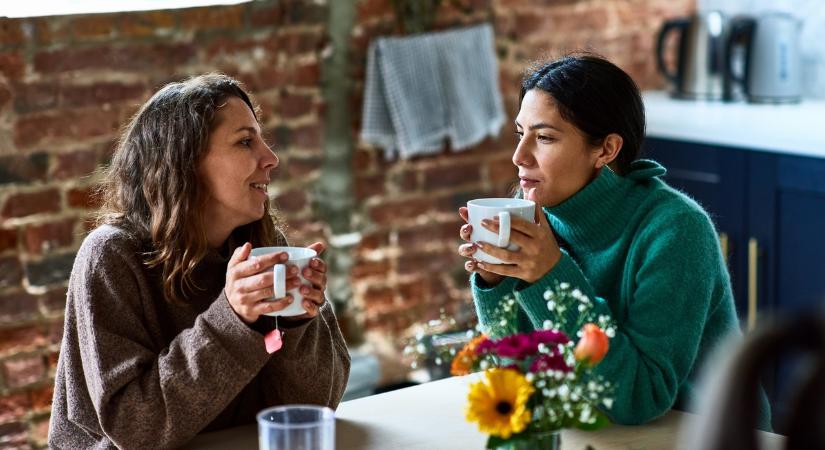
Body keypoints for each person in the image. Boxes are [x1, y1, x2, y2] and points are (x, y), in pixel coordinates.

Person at [457, 53, 771, 428]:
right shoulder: (536, 218)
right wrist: (494, 283)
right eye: (520, 134)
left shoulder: (677, 230)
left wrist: (550, 274)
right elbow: (517, 376)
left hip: (704, 435)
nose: (519, 156)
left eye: (543, 137)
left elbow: (640, 398)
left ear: (606, 150)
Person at [48, 74, 351, 449]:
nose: (271, 158)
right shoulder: (111, 257)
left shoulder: (263, 248)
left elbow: (315, 408)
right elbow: (133, 428)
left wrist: (295, 321)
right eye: (245, 142)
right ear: (184, 163)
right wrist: (233, 319)